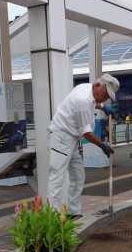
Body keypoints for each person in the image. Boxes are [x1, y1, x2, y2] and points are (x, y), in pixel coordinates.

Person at [47, 74, 119, 217]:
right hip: (62, 137)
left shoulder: (86, 88)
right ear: (99, 85)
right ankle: (53, 216)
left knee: (78, 175)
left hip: (71, 138)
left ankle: (73, 212)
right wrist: (102, 146)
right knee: (57, 177)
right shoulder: (82, 100)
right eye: (105, 95)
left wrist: (102, 107)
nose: (104, 99)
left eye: (107, 97)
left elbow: (93, 102)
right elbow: (86, 133)